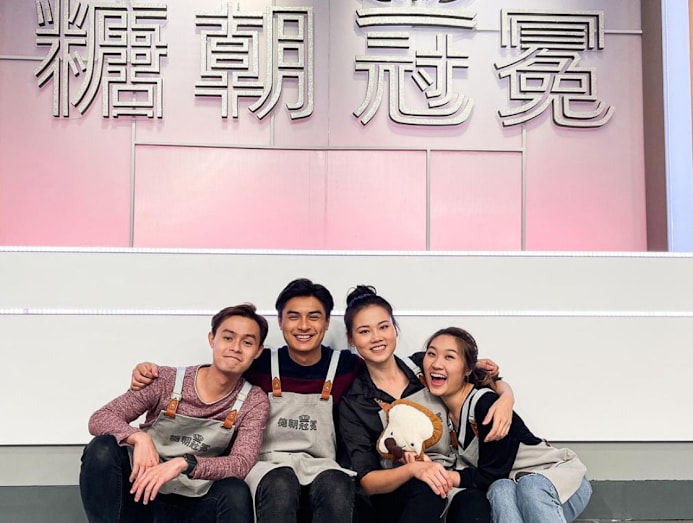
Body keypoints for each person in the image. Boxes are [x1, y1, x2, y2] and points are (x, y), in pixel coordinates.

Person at [132, 279, 363, 523]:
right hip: (265, 466)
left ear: (327, 322)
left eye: (314, 317)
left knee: (338, 484)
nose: (303, 326)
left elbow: (382, 374)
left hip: (321, 465)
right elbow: (215, 375)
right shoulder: (257, 363)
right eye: (293, 316)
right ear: (280, 322)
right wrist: (149, 372)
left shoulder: (346, 366)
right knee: (280, 482)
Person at [79, 304, 270, 523]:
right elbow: (100, 418)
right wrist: (139, 438)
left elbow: (241, 463)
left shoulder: (254, 401)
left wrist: (184, 463)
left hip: (196, 500)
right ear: (212, 339)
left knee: (235, 490)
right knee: (102, 448)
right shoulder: (166, 380)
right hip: (140, 491)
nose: (235, 348)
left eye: (247, 342)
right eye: (228, 338)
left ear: (258, 351)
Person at [338, 286, 514, 523]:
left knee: (474, 503)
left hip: (450, 478)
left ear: (394, 328)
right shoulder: (354, 402)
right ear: (351, 338)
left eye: (383, 327)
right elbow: (368, 482)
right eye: (364, 331)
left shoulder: (425, 365)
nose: (377, 337)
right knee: (425, 491)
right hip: (398, 493)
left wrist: (506, 398)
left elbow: (484, 376)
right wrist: (414, 469)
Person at [421, 327, 592, 523]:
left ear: (467, 369)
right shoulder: (443, 413)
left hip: (560, 480)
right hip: (513, 484)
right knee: (500, 489)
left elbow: (488, 475)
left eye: (449, 357)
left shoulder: (485, 405)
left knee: (530, 486)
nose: (436, 364)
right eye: (431, 354)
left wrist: (438, 475)